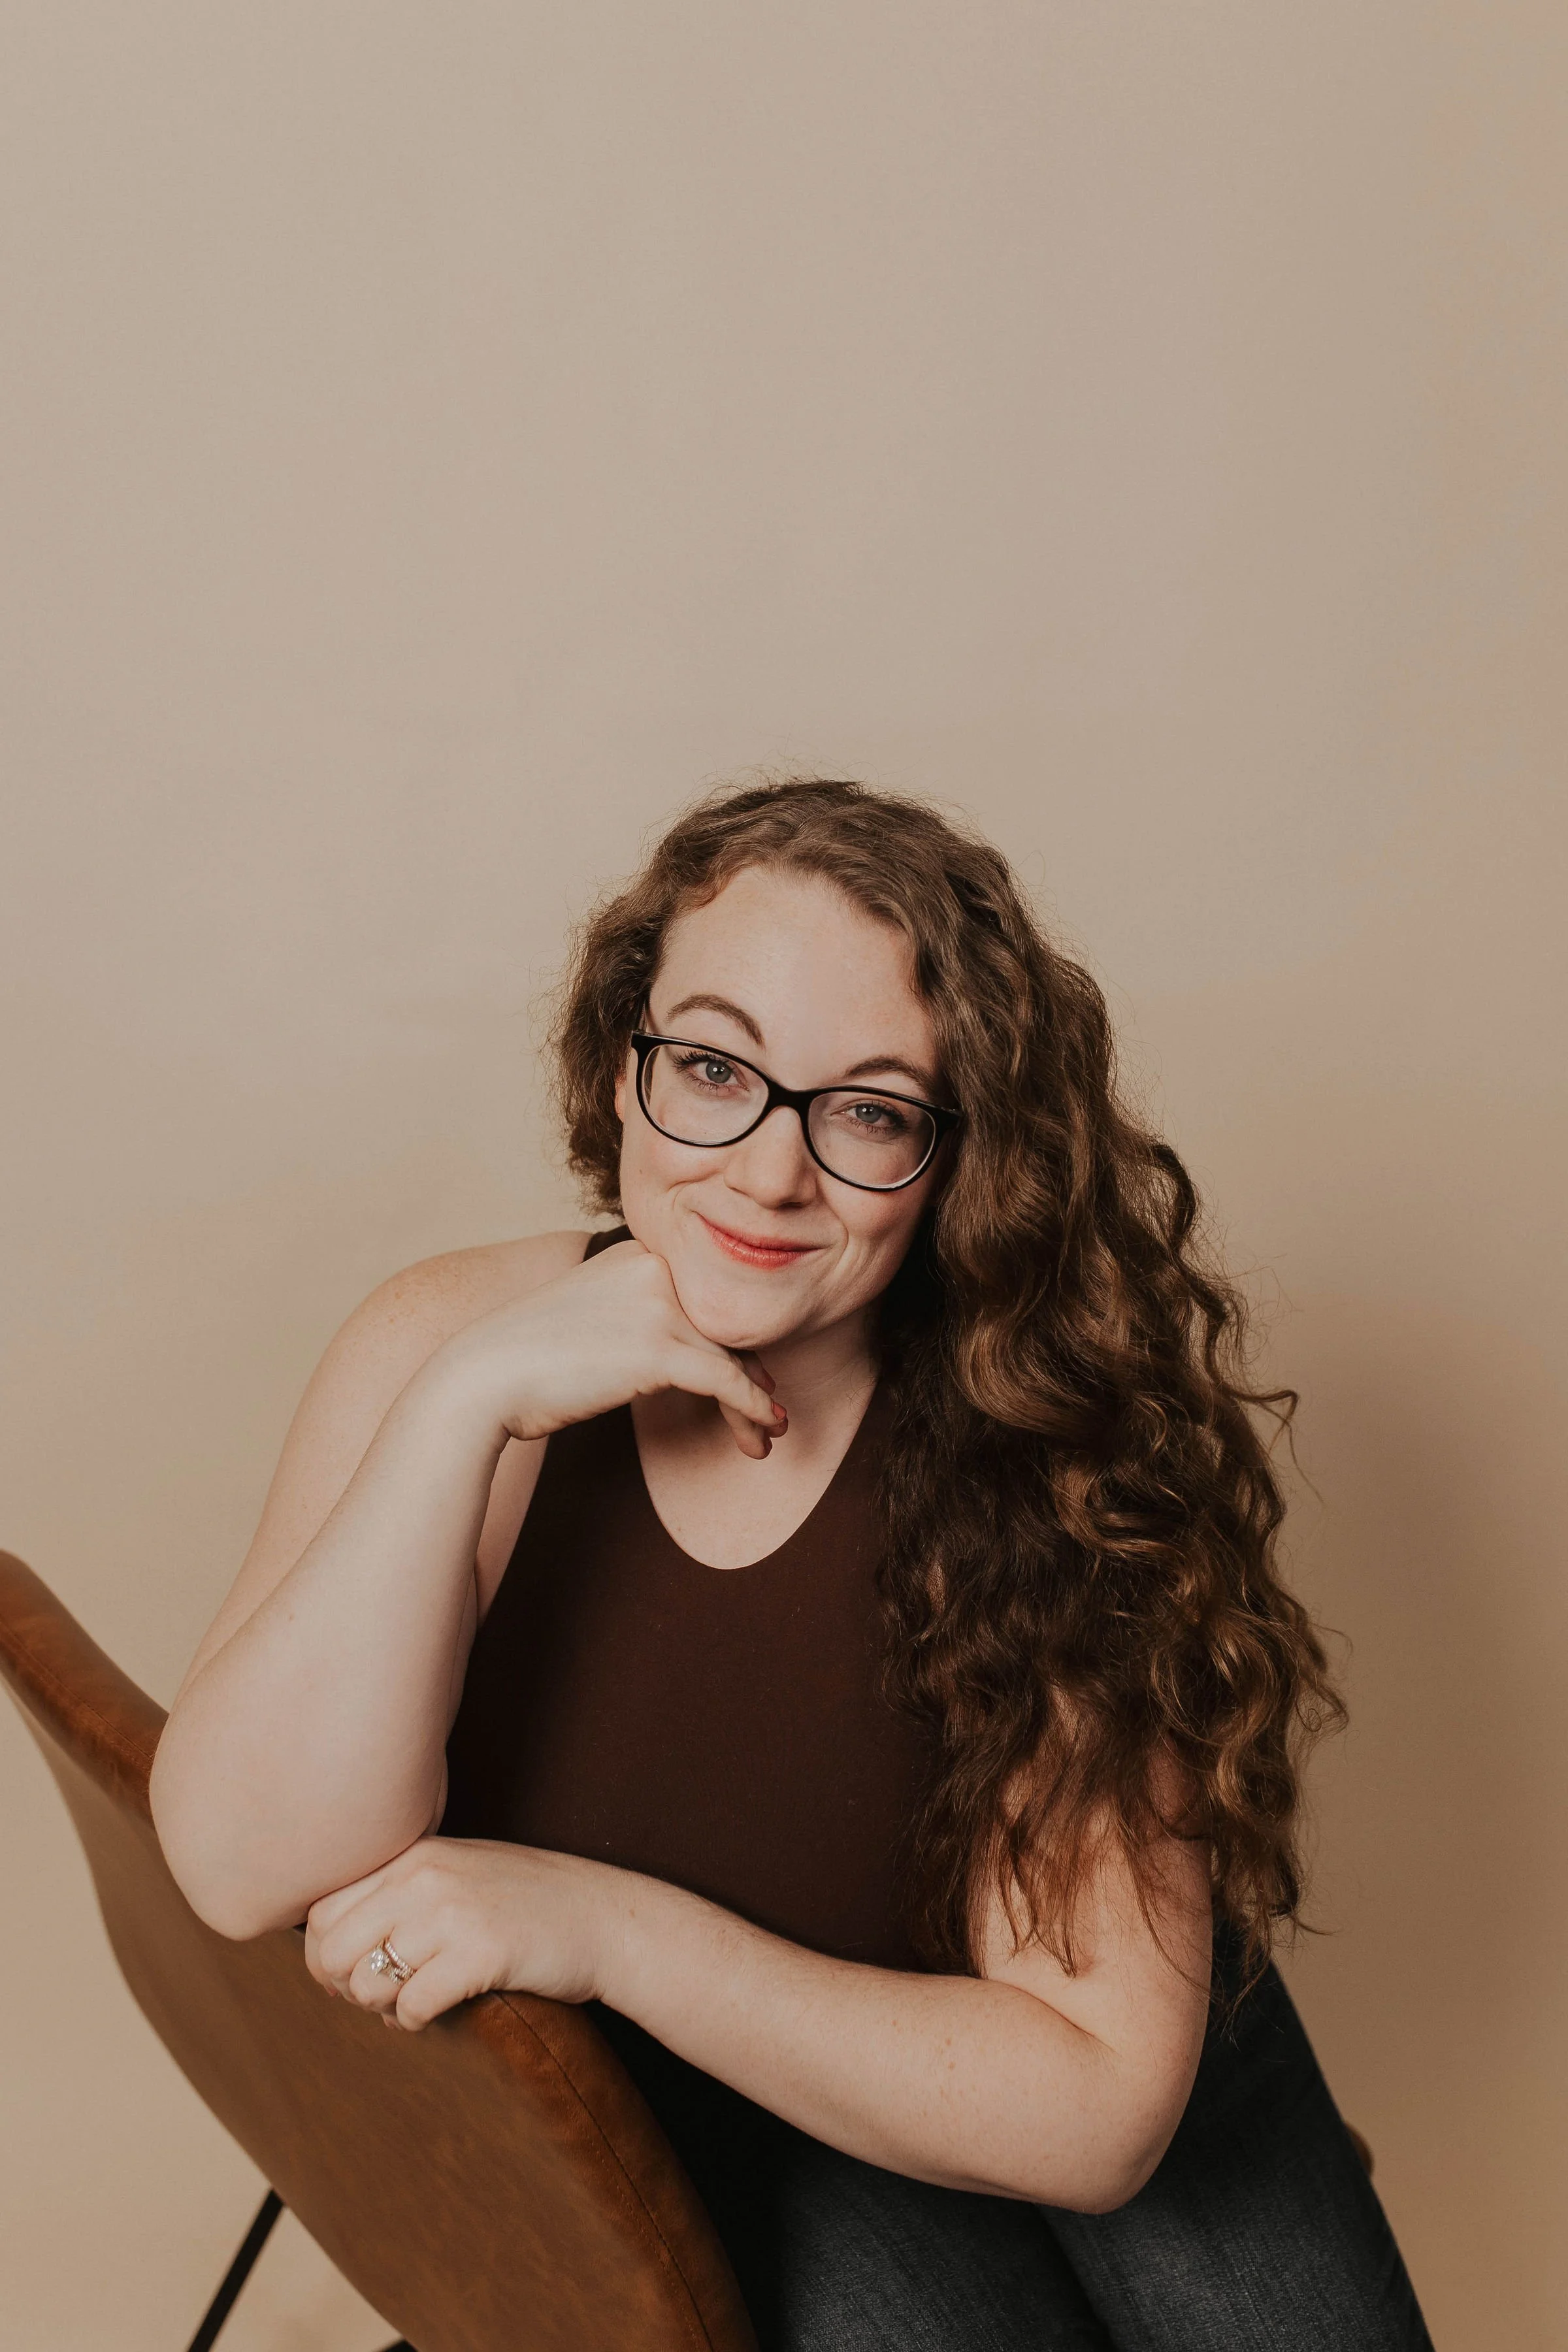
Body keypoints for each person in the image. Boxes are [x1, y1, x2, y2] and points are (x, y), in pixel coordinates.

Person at [150, 777, 1432, 2349]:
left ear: (960, 1159)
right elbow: (232, 1865)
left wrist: (599, 1924)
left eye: (871, 1112)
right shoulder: (442, 1337)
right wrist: (460, 1413)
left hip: (1050, 2069)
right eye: (711, 1066)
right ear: (623, 1071)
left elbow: (1098, 2113)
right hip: (749, 2119)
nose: (769, 1173)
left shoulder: (1055, 1454)